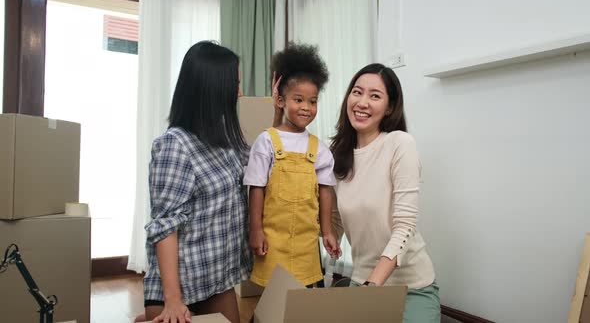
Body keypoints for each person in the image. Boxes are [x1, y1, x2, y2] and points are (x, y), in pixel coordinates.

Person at [141, 41, 251, 323]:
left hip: (216, 277)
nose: (239, 92)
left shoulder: (226, 139)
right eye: (234, 84)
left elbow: (258, 167)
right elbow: (165, 226)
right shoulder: (174, 146)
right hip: (181, 286)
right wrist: (173, 301)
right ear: (213, 89)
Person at [330, 63, 440, 322]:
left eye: (375, 96)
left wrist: (372, 287)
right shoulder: (337, 157)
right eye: (357, 92)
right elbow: (336, 222)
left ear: (390, 107)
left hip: (410, 288)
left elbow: (405, 226)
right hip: (362, 281)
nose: (362, 102)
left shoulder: (399, 144)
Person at [244, 43, 341, 287]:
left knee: (304, 300)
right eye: (298, 99)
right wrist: (255, 230)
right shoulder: (266, 141)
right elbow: (256, 188)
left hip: (306, 245)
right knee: (273, 301)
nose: (307, 107)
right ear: (280, 100)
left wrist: (327, 231)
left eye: (313, 101)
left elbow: (325, 190)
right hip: (273, 241)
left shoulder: (319, 149)